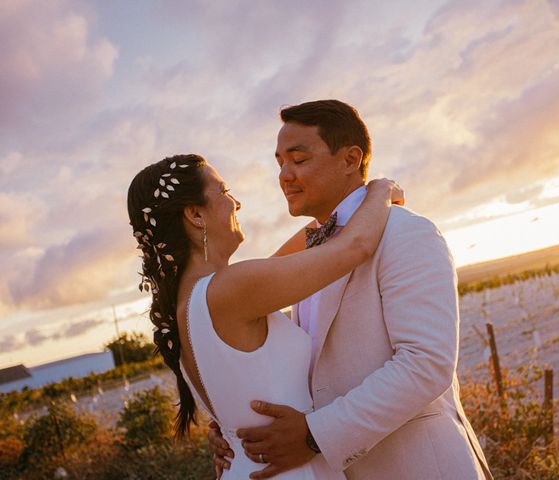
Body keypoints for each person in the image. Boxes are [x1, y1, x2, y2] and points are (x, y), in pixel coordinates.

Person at [209, 100, 493, 480]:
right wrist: (238, 428)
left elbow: (426, 363)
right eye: (280, 163)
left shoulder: (406, 232)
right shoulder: (311, 256)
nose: (285, 175)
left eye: (299, 159)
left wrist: (314, 434)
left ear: (350, 159)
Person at [127, 153, 403, 479]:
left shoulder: (192, 305)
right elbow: (355, 246)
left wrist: (348, 208)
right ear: (195, 214)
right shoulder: (230, 290)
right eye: (224, 191)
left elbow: (311, 243)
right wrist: (381, 191)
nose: (236, 203)